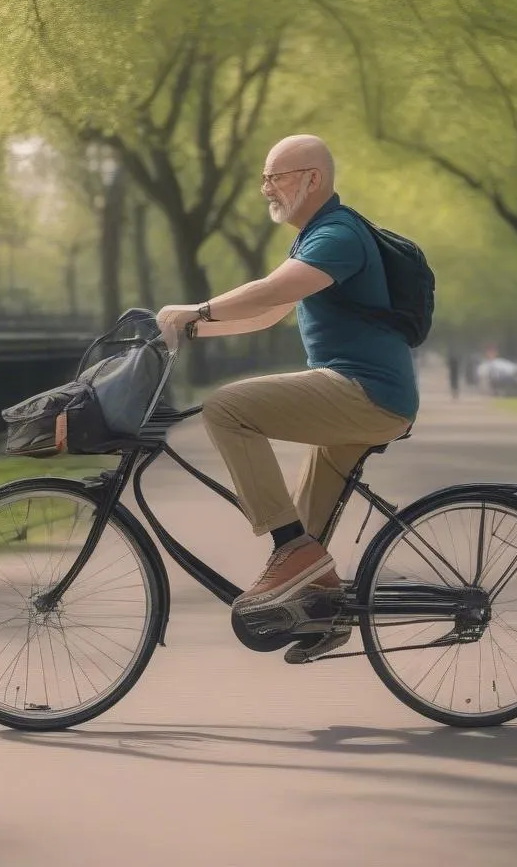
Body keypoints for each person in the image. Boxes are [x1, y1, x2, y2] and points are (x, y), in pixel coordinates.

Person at [155, 134, 418, 661]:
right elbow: (270, 312)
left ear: (312, 179)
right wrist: (187, 329)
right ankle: (325, 613)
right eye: (265, 177)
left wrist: (199, 310)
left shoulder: (338, 234)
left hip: (364, 393)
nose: (265, 188)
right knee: (306, 532)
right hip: (367, 394)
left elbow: (273, 291)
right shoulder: (319, 235)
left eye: (275, 176)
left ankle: (294, 556)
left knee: (226, 409)